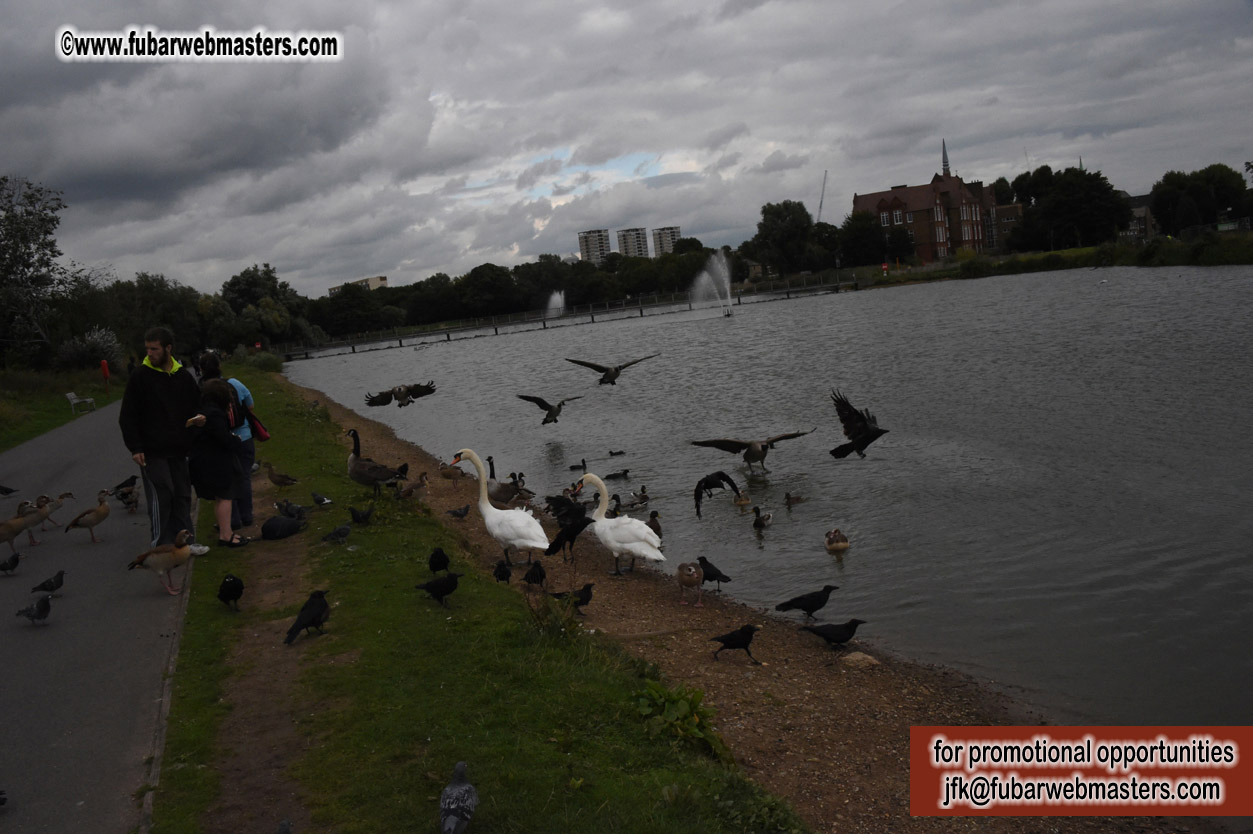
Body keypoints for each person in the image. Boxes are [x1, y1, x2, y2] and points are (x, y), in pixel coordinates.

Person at [118, 326, 210, 555]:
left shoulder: (182, 376)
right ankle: (161, 546)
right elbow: (128, 415)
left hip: (179, 449)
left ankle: (187, 542)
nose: (149, 353)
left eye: (154, 349)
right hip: (152, 451)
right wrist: (135, 447)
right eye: (147, 348)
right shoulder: (140, 376)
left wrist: (200, 418)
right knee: (162, 497)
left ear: (168, 348)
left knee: (182, 495)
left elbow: (196, 405)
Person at [188, 379, 250, 548]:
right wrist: (235, 440)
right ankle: (226, 535)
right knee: (225, 497)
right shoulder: (215, 414)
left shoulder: (204, 411)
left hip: (205, 461)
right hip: (216, 462)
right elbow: (223, 439)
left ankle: (225, 531)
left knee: (220, 498)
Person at [199, 352, 255, 531]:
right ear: (220, 366)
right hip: (243, 437)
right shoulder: (234, 383)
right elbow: (250, 405)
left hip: (220, 441)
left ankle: (233, 520)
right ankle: (247, 516)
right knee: (244, 476)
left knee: (226, 482)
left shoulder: (203, 390)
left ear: (200, 368)